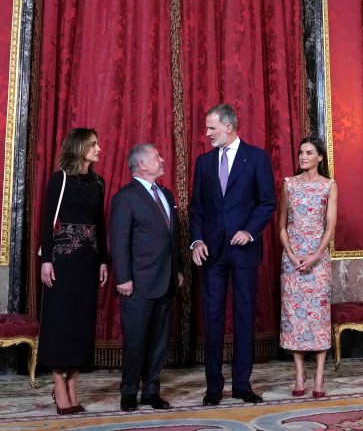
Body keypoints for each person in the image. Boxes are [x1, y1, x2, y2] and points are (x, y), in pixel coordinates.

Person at [189, 103, 277, 405]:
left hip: (244, 251)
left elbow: (267, 202)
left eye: (212, 127)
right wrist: (197, 241)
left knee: (243, 316)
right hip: (212, 252)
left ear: (229, 126)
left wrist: (250, 230)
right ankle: (213, 386)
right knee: (212, 317)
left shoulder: (256, 158)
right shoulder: (203, 163)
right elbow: (196, 208)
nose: (208, 133)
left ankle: (242, 384)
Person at [37, 127, 109, 415]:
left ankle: (74, 387)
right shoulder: (61, 179)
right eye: (93, 144)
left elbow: (100, 224)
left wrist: (104, 260)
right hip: (62, 261)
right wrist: (46, 261)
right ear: (79, 147)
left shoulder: (99, 182)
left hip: (88, 261)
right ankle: (58, 386)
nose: (99, 148)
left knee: (81, 323)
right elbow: (46, 221)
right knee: (60, 321)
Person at [108, 143, 183, 412]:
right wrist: (123, 278)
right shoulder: (125, 197)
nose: (162, 159)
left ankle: (151, 390)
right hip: (137, 283)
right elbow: (119, 241)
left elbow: (172, 238)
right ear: (141, 164)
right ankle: (129, 391)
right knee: (137, 340)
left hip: (166, 281)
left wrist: (178, 270)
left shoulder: (165, 192)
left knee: (160, 341)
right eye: (156, 157)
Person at [278, 136, 336, 399]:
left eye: (309, 152)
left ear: (320, 157)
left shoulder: (329, 186)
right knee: (295, 318)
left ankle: (320, 377)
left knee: (318, 318)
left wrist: (314, 256)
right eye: (301, 152)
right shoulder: (289, 184)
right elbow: (281, 225)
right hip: (292, 261)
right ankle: (299, 375)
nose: (303, 157)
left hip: (318, 260)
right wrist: (291, 254)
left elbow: (330, 226)